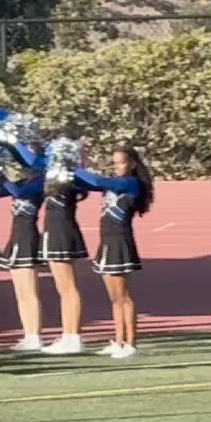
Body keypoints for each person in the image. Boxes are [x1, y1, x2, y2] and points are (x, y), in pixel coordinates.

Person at [76, 145, 154, 359]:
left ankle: (131, 343)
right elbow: (86, 183)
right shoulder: (115, 183)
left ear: (132, 164)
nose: (118, 167)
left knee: (123, 296)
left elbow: (98, 182)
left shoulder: (131, 183)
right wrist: (76, 165)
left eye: (121, 163)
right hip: (107, 242)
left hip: (120, 242)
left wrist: (72, 168)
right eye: (115, 163)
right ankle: (118, 340)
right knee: (114, 297)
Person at [39, 146, 90, 356]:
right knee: (63, 289)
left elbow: (83, 176)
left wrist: (79, 158)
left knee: (68, 287)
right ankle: (68, 334)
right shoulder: (55, 180)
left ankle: (74, 337)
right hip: (53, 232)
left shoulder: (69, 181)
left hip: (62, 233)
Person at [0, 157, 45, 351]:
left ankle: (35, 336)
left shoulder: (39, 184)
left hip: (28, 237)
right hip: (16, 236)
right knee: (20, 293)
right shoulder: (24, 182)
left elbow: (18, 192)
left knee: (29, 291)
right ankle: (28, 334)